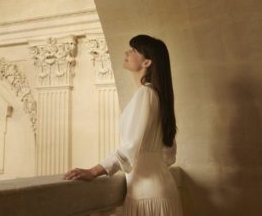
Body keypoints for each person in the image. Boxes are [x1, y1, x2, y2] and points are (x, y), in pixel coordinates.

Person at [64, 35, 182, 215]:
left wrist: (94, 171)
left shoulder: (146, 94)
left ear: (147, 62)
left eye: (134, 50)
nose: (127, 52)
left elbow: (129, 147)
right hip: (162, 189)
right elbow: (168, 156)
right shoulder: (159, 96)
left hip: (146, 194)